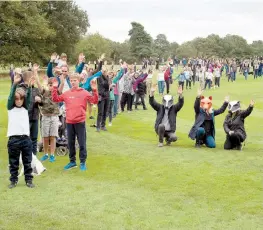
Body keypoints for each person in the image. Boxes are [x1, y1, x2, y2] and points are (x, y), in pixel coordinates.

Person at [52, 73, 98, 170]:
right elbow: (55, 99)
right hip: (69, 122)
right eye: (71, 80)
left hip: (80, 122)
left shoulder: (84, 92)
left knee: (82, 143)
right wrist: (55, 88)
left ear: (79, 81)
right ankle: (72, 162)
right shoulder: (67, 93)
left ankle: (82, 162)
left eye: (75, 80)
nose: (73, 82)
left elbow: (94, 101)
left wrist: (94, 90)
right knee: (70, 143)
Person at [7, 71, 35, 189]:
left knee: (27, 161)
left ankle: (28, 180)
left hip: (25, 139)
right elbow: (10, 97)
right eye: (16, 99)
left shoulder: (25, 109)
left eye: (21, 99)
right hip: (14, 139)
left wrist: (28, 86)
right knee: (13, 162)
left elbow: (28, 97)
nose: (18, 101)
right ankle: (13, 180)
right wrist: (14, 84)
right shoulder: (10, 109)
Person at [35, 75, 60, 163]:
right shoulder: (44, 92)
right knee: (45, 137)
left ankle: (52, 155)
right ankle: (46, 154)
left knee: (52, 137)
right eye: (50, 85)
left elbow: (63, 84)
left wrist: (63, 77)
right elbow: (38, 84)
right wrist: (35, 73)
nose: (51, 87)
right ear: (47, 85)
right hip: (45, 117)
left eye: (52, 85)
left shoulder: (57, 92)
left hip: (54, 117)